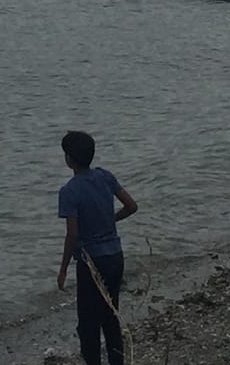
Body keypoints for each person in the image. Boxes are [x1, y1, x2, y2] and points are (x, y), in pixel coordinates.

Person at [57, 130, 137, 365]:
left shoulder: (70, 191)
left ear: (69, 159)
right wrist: (110, 219)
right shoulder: (105, 177)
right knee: (111, 315)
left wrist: (63, 269)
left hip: (92, 263)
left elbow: (72, 234)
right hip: (115, 255)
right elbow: (131, 206)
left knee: (88, 324)